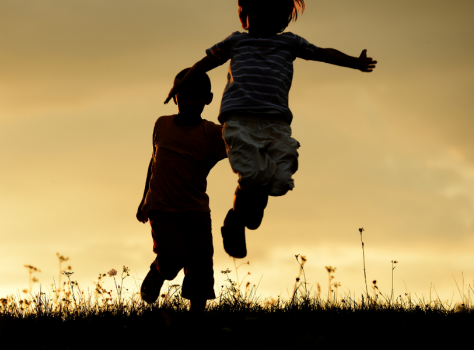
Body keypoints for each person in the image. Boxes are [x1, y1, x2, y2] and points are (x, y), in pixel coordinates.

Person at [164, 0, 377, 259]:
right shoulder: (236, 42)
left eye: (271, 17)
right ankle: (235, 221)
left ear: (282, 21)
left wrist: (354, 62)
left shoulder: (289, 43)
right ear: (245, 16)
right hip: (240, 120)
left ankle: (243, 215)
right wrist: (181, 84)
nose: (264, 22)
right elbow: (204, 64)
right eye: (258, 16)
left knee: (281, 178)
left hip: (276, 124)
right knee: (253, 176)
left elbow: (322, 53)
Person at [136, 68, 228, 313]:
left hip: (196, 211)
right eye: (183, 96)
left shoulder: (213, 134)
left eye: (195, 97)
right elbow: (154, 161)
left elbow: (243, 144)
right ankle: (158, 272)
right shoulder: (162, 124)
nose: (188, 102)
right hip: (162, 207)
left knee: (200, 265)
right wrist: (144, 198)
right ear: (174, 96)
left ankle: (196, 320)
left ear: (208, 99)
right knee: (173, 256)